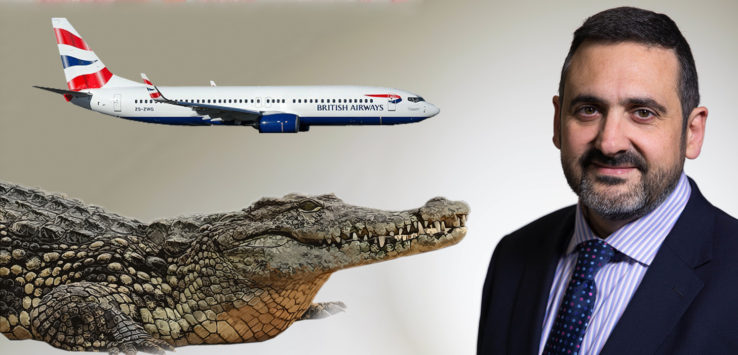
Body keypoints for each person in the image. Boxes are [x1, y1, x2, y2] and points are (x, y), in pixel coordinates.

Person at [477, 6, 738, 355]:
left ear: (693, 132)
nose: (609, 142)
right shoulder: (513, 256)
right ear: (558, 122)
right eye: (589, 110)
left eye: (643, 113)